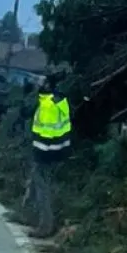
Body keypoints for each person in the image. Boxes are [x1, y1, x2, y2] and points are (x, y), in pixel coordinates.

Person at [21, 74, 72, 238]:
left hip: (45, 152)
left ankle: (45, 226)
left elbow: (26, 113)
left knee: (43, 189)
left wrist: (27, 93)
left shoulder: (47, 104)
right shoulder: (61, 100)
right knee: (43, 187)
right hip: (59, 151)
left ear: (48, 85)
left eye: (41, 82)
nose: (38, 84)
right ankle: (39, 219)